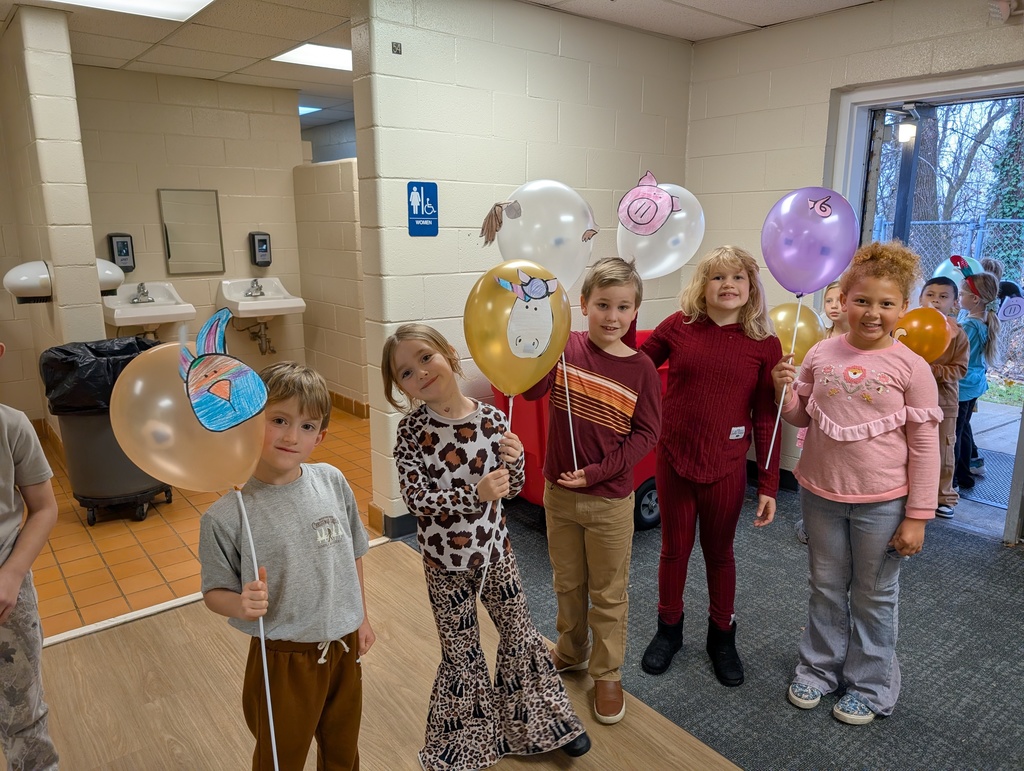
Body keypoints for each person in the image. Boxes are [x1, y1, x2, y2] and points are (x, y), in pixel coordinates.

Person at [383, 324, 590, 771]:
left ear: (448, 354)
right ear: (400, 388)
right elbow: (418, 500)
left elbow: (509, 491)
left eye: (425, 357)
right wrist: (471, 494)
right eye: (405, 372)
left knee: (519, 636)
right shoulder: (411, 432)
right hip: (445, 563)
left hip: (498, 553)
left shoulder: (494, 418)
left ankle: (543, 724)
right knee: (462, 653)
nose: (420, 372)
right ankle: (466, 745)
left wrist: (514, 463)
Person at [772, 241, 941, 725]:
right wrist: (781, 393)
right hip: (820, 495)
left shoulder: (913, 368)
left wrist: (918, 516)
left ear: (903, 309)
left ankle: (871, 684)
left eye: (886, 304)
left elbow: (926, 447)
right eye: (862, 300)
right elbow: (803, 415)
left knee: (873, 593)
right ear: (842, 300)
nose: (873, 313)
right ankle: (818, 668)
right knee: (825, 586)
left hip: (884, 503)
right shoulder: (821, 352)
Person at [199, 362, 373, 771]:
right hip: (284, 658)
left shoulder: (332, 480)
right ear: (248, 421)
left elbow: (353, 554)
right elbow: (213, 593)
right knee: (282, 758)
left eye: (308, 426)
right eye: (278, 420)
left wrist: (362, 617)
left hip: (344, 647)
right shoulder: (226, 515)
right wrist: (240, 604)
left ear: (321, 436)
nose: (293, 436)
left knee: (343, 751)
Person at [523, 256, 661, 724]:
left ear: (635, 311)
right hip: (558, 495)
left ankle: (607, 672)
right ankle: (572, 648)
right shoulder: (566, 347)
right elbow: (530, 393)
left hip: (609, 500)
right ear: (583, 304)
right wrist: (542, 340)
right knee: (567, 581)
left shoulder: (641, 368)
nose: (612, 316)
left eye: (623, 307)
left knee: (608, 591)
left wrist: (601, 471)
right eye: (602, 304)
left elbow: (647, 434)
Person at [638, 246, 780, 688]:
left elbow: (764, 417)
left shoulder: (765, 344)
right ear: (703, 285)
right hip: (675, 459)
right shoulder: (678, 327)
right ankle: (669, 630)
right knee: (673, 551)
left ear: (751, 287)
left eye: (738, 278)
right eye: (718, 277)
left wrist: (770, 484)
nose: (728, 286)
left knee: (719, 555)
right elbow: (635, 363)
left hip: (727, 466)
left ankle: (722, 637)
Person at [0, 340, 60, 770]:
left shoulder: (13, 427)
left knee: (23, 711)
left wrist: (12, 574)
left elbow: (44, 508)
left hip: (8, 595)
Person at [795, 279, 849, 543]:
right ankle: (810, 522)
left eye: (840, 300)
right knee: (812, 464)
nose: (834, 306)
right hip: (816, 415)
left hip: (841, 416)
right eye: (828, 301)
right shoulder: (820, 335)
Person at [918, 277, 969, 518]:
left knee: (943, 450)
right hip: (912, 399)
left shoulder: (958, 334)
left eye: (943, 296)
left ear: (955, 303)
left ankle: (944, 496)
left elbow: (960, 369)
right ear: (920, 299)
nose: (936, 300)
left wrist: (932, 369)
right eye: (930, 295)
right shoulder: (909, 325)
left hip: (944, 401)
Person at [954, 272, 1001, 492]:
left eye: (962, 293)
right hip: (974, 382)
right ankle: (968, 469)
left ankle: (959, 475)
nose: (959, 297)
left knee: (954, 432)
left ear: (974, 298)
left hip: (963, 385)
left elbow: (960, 354)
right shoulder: (982, 320)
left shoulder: (970, 326)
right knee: (963, 428)